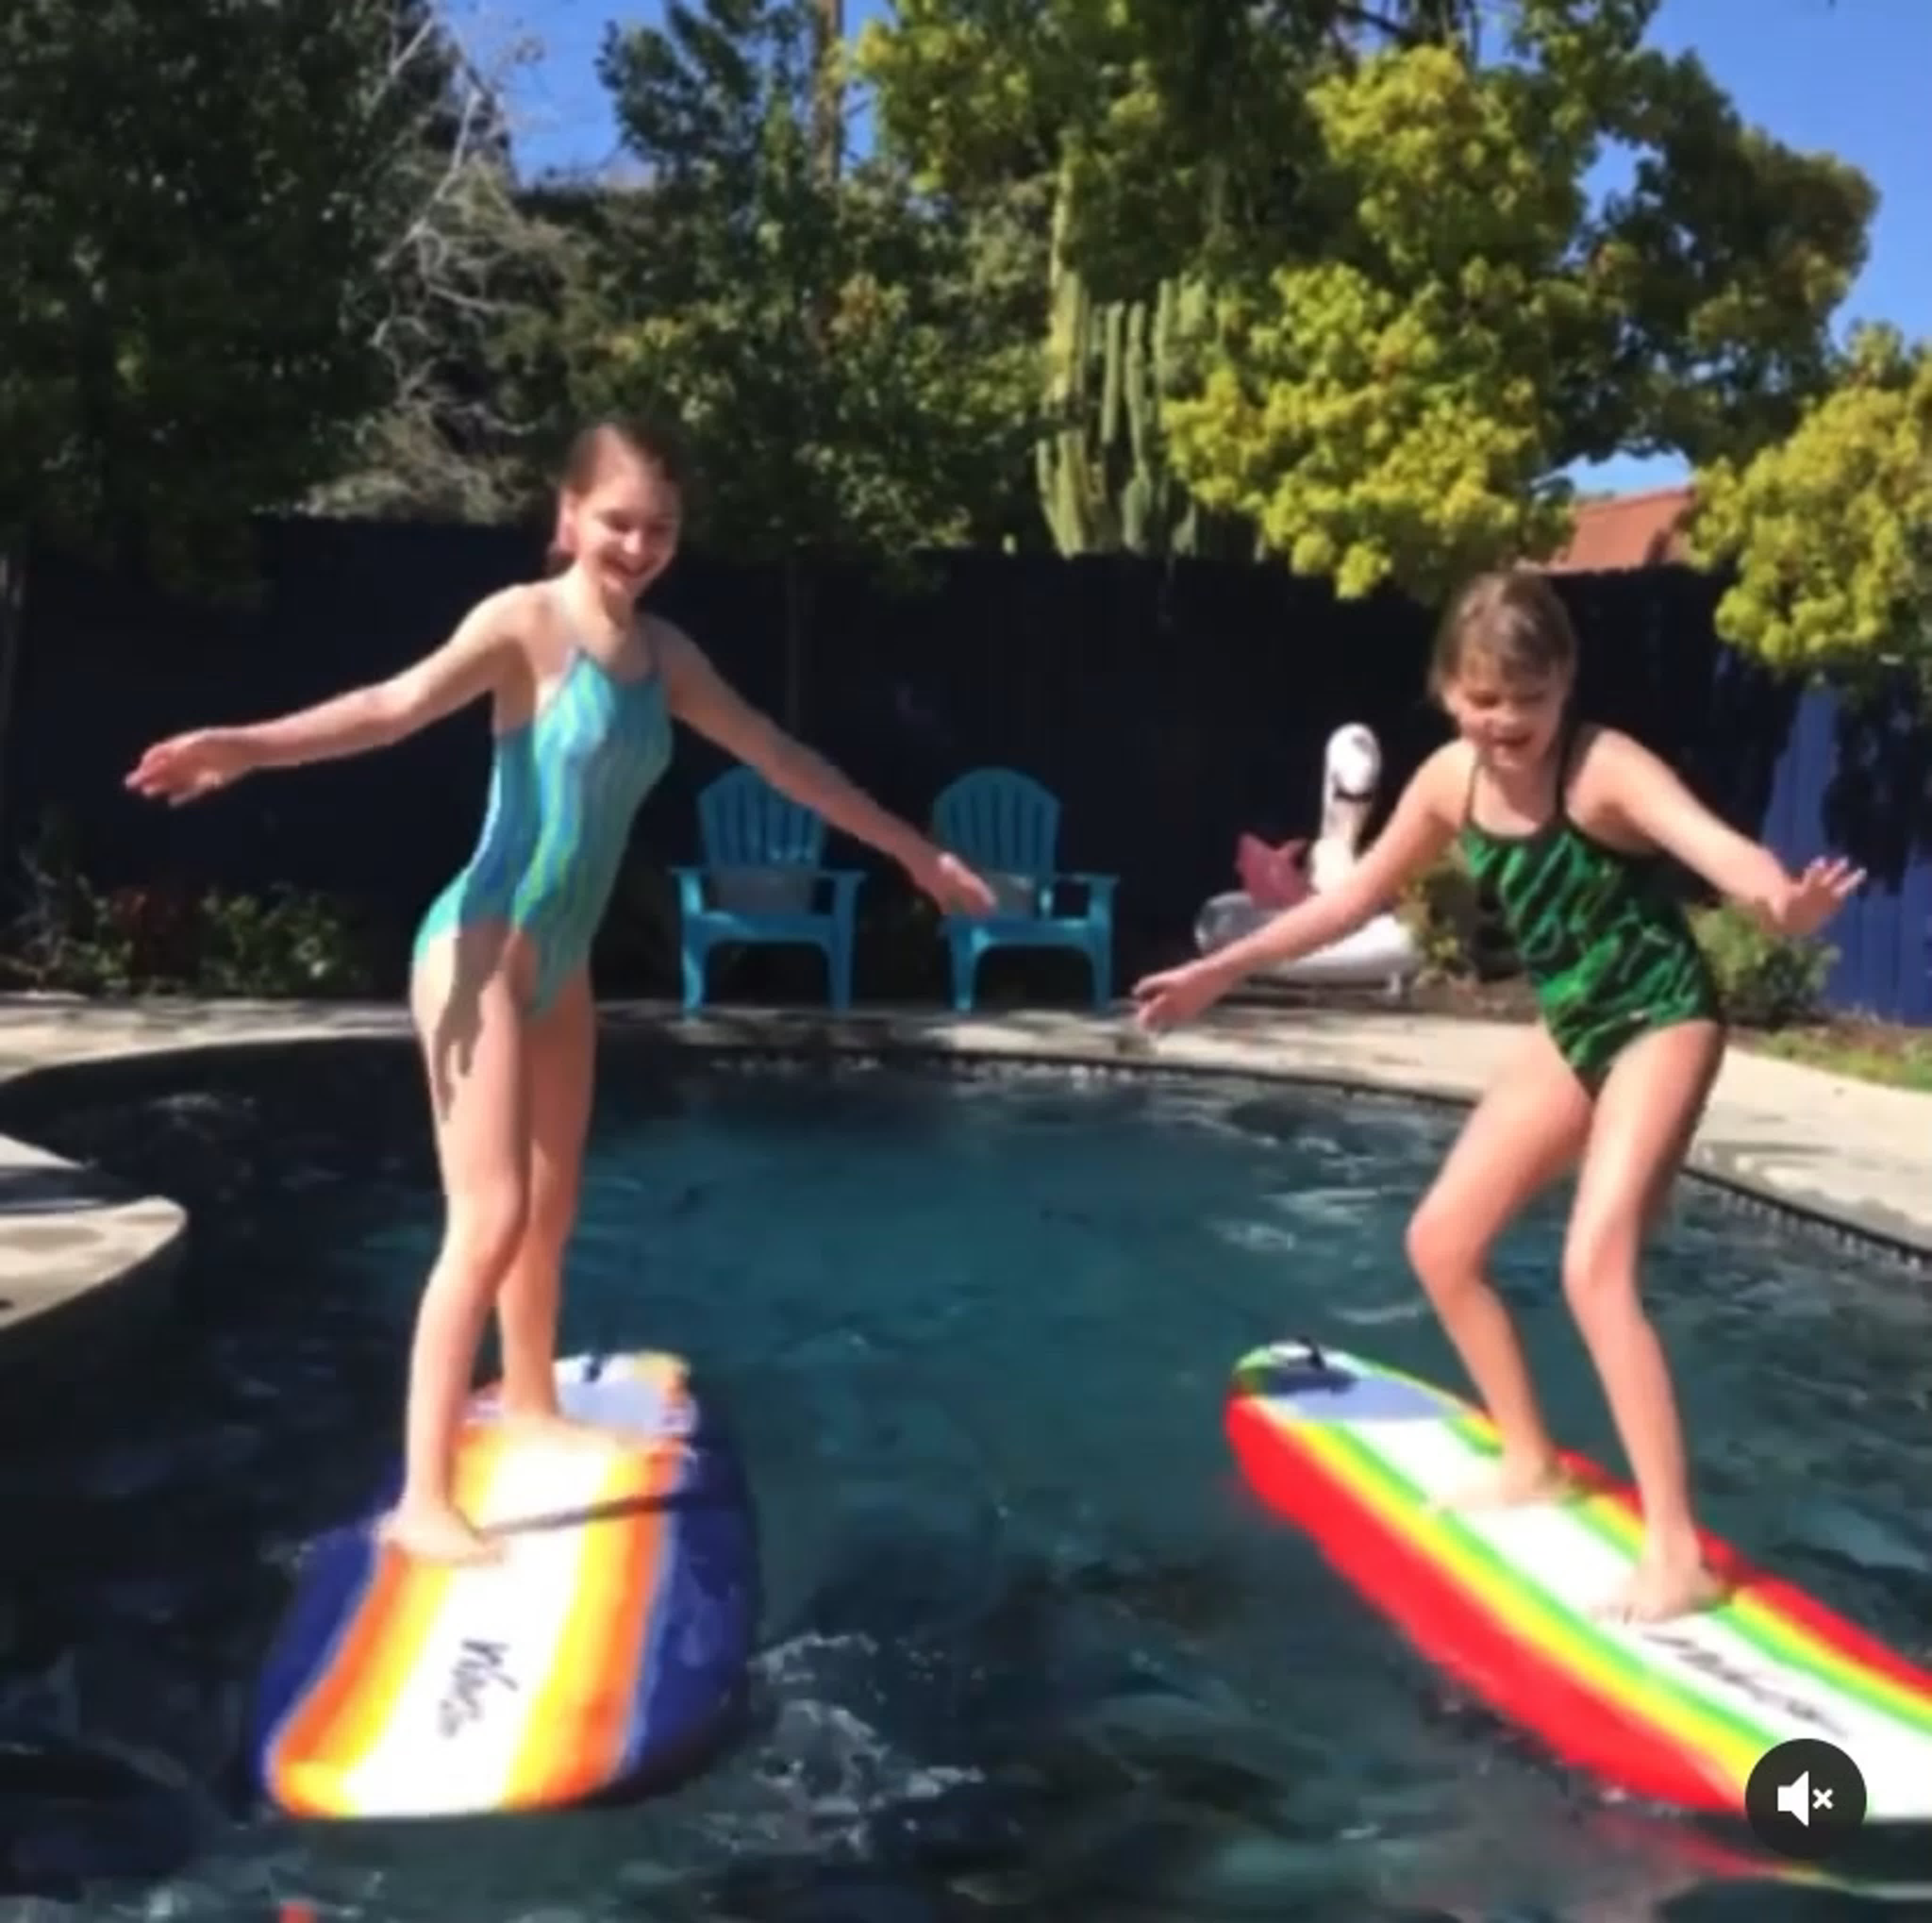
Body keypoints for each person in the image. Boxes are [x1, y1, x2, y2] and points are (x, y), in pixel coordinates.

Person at [125, 417, 998, 1564]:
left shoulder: (669, 659)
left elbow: (786, 759)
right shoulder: (523, 625)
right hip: (480, 948)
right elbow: (391, 708)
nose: (637, 545)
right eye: (618, 521)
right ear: (569, 518)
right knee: (484, 1220)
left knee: (551, 1208)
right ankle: (424, 1501)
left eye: (660, 528)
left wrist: (912, 855)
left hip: (563, 962)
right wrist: (243, 744)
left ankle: (529, 1398)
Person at [1132, 568, 1863, 1624]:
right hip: (1573, 1025)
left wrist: (1779, 906)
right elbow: (1350, 900)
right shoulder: (1444, 780)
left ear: (1562, 683)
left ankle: (1676, 1554)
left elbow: (1717, 848)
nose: (1503, 721)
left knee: (1592, 1268)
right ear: (1447, 691)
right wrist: (1221, 969)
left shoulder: (1601, 767)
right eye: (1481, 699)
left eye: (1524, 698)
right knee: (1440, 1241)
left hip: (1660, 1015)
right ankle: (1531, 1457)